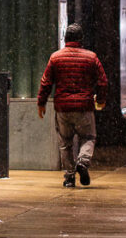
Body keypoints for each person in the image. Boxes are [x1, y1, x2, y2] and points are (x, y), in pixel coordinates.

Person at [38, 22, 109, 188]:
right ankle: (83, 162)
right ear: (81, 39)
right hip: (84, 106)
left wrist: (41, 102)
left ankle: (69, 177)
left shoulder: (55, 58)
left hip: (63, 107)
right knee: (89, 137)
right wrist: (100, 99)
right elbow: (103, 81)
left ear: (65, 39)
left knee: (65, 143)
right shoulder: (91, 57)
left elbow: (46, 82)